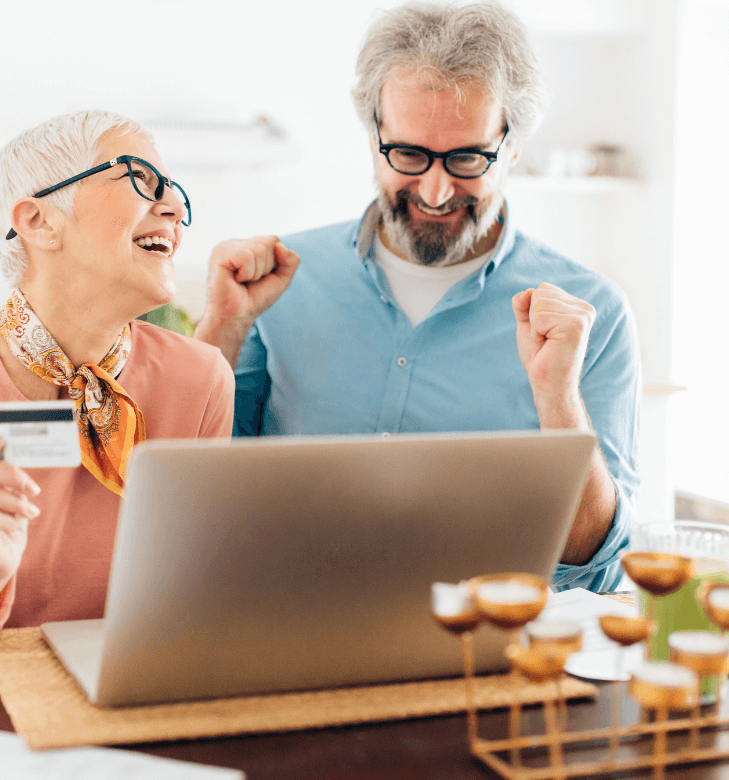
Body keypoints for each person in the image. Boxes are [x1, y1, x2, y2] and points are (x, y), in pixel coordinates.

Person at [194, 1, 640, 592]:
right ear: (374, 133)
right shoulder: (276, 283)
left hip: (480, 658)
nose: (434, 189)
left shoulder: (592, 315)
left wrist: (557, 397)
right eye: (407, 154)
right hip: (287, 628)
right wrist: (219, 334)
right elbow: (195, 497)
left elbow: (596, 567)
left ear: (512, 145)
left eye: (466, 158)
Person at [0, 110, 234, 641]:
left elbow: (193, 602)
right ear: (39, 222)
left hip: (120, 697)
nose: (173, 208)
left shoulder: (201, 379)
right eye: (142, 180)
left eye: (173, 192)